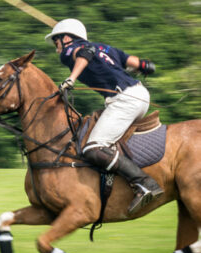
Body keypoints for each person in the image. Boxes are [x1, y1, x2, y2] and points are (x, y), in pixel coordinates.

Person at [45, 18, 163, 214]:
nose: (56, 45)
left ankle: (145, 184)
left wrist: (71, 78)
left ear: (66, 38)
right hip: (139, 95)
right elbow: (139, 63)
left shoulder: (69, 51)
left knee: (94, 147)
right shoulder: (106, 48)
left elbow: (84, 53)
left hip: (125, 99)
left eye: (56, 40)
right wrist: (144, 66)